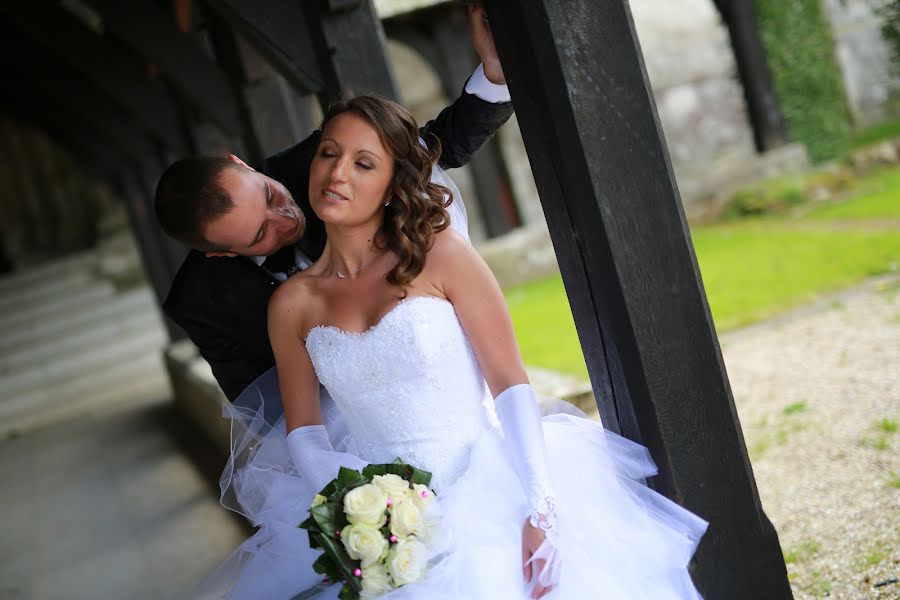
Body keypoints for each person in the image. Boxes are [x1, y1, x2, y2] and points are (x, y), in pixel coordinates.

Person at [199, 96, 708, 599]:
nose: (337, 173)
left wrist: (540, 510)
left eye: (364, 163)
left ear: (391, 184)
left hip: (492, 490)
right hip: (389, 528)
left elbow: (509, 384)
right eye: (329, 153)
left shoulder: (441, 256)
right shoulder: (292, 303)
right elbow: (306, 432)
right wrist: (361, 506)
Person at [155, 5, 512, 402]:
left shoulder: (324, 160)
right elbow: (260, 407)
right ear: (218, 255)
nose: (286, 219)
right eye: (260, 235)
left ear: (241, 164)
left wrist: (495, 73)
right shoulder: (199, 301)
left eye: (270, 195)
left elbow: (432, 148)